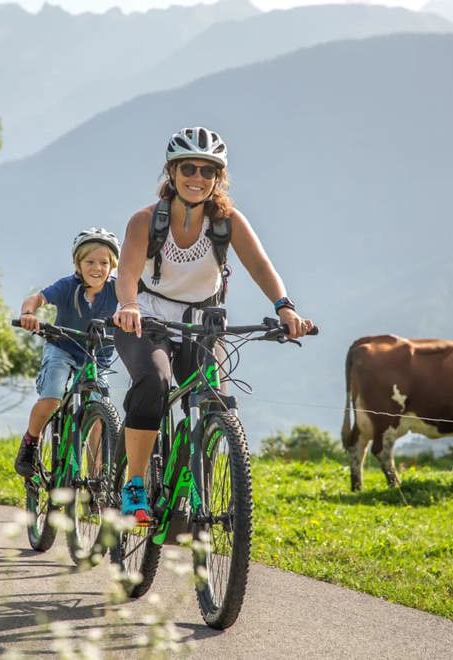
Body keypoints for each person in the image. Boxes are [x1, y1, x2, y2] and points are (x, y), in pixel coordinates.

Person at [112, 126, 314, 523]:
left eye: (208, 171)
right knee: (154, 381)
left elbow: (260, 265)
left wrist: (285, 307)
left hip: (203, 321)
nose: (197, 178)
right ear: (171, 172)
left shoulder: (227, 222)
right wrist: (129, 305)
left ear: (218, 178)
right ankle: (135, 481)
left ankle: (192, 489)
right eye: (188, 167)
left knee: (212, 400)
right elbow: (127, 271)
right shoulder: (146, 220)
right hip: (146, 319)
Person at [14, 228, 121, 477]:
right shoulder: (67, 286)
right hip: (62, 348)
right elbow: (36, 299)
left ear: (113, 265)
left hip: (97, 358)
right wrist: (29, 314)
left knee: (98, 413)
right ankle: (31, 442)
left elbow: (136, 305)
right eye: (90, 262)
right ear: (78, 264)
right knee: (52, 397)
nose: (97, 268)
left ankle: (98, 480)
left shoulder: (118, 291)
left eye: (104, 263)